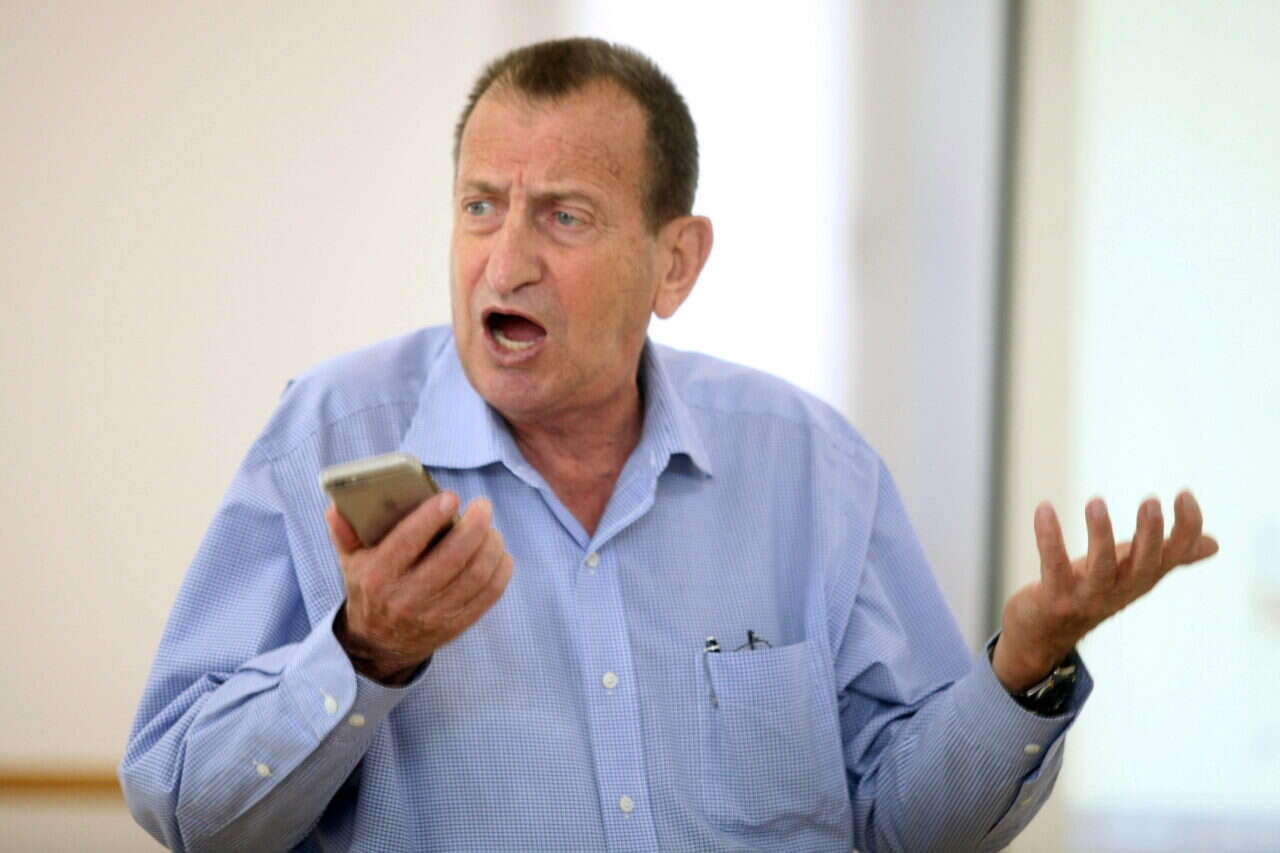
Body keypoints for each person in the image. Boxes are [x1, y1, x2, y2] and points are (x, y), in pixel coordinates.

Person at [119, 37, 1218, 852]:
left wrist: (1022, 668)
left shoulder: (811, 470)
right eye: (480, 206)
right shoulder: (329, 436)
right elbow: (185, 808)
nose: (504, 262)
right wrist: (361, 653)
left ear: (676, 262)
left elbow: (901, 827)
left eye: (564, 216)